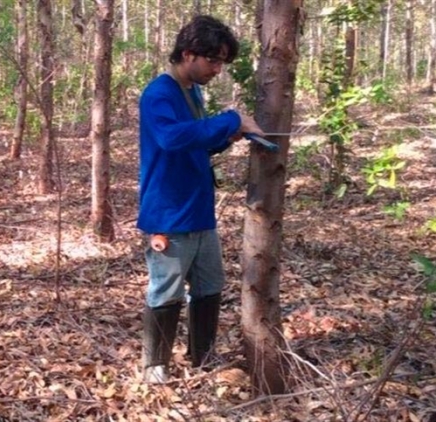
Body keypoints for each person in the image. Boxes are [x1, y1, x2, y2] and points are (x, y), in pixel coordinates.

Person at [137, 15, 264, 384]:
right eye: (213, 60)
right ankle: (154, 367)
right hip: (169, 211)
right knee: (166, 289)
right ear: (188, 53)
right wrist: (229, 119)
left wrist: (228, 137)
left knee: (209, 285)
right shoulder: (159, 93)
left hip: (198, 209)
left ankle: (202, 355)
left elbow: (195, 144)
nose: (218, 69)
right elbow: (171, 139)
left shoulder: (192, 92)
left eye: (222, 62)